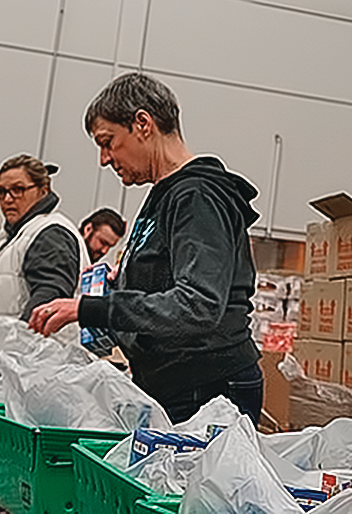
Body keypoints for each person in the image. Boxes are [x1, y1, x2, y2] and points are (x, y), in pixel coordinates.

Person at [30, 73, 264, 425]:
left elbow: (198, 305)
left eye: (107, 142)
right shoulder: (166, 194)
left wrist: (91, 308)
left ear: (142, 123)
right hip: (175, 383)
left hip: (206, 387)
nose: (104, 159)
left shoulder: (196, 196)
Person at [0, 156, 86, 331]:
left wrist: (18, 342)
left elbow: (48, 297)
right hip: (6, 350)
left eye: (18, 190)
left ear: (44, 190)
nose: (7, 199)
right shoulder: (11, 237)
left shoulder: (50, 234)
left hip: (37, 354)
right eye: (1, 192)